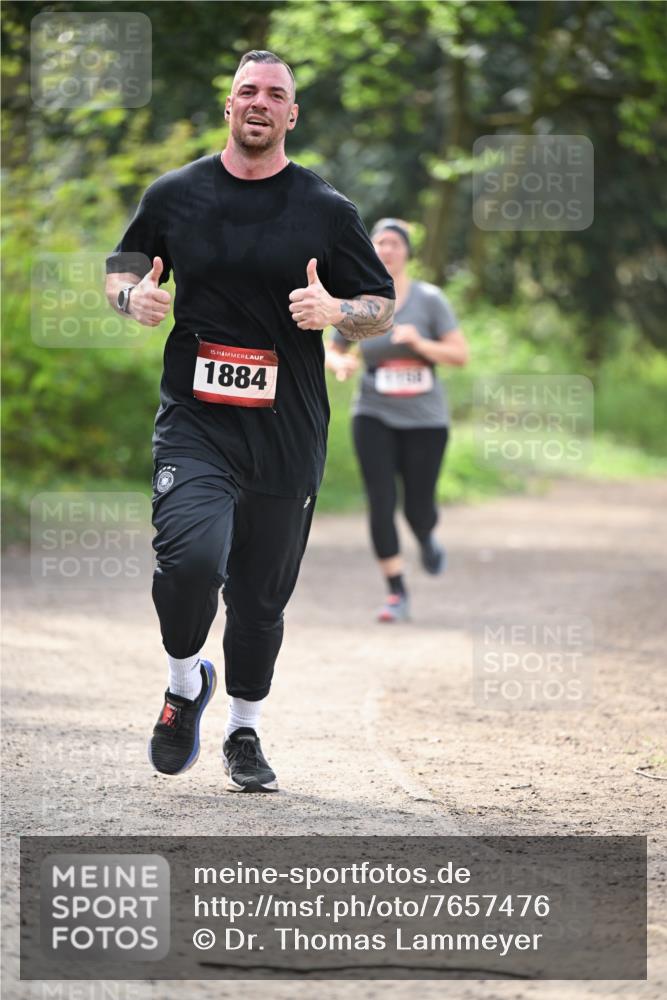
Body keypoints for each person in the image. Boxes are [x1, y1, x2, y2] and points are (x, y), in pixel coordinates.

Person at [105, 51, 395, 791]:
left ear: (292, 114)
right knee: (190, 562)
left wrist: (337, 313)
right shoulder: (176, 193)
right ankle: (181, 685)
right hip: (196, 421)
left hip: (287, 429)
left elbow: (379, 304)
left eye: (275, 94)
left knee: (260, 599)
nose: (259, 102)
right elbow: (123, 262)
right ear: (228, 106)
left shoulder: (326, 211)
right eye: (246, 91)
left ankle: (243, 731)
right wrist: (130, 298)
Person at [326, 218, 468, 623]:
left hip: (426, 419)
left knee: (417, 507)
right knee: (381, 501)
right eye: (380, 243)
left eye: (394, 243)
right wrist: (340, 364)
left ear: (407, 251)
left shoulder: (430, 299)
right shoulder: (363, 299)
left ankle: (425, 535)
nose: (387, 249)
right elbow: (334, 348)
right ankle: (396, 592)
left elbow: (460, 355)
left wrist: (420, 343)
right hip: (373, 412)